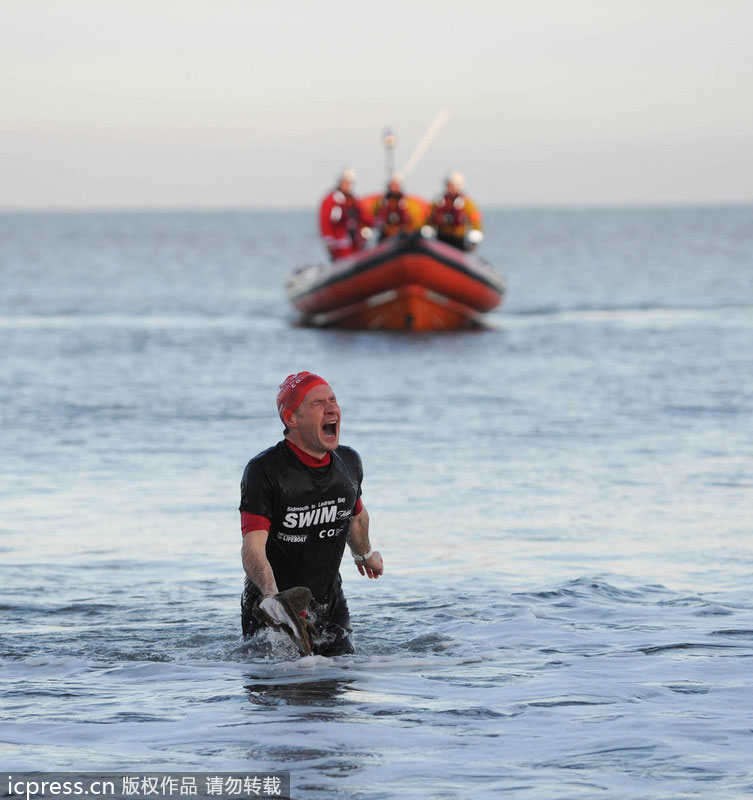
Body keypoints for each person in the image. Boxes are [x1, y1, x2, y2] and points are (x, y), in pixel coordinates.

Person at [239, 372, 384, 656]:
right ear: (291, 419)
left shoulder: (349, 462)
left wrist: (364, 554)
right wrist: (271, 596)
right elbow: (252, 547)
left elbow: (355, 516)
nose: (332, 408)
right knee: (278, 692)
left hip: (330, 608)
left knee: (338, 687)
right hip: (274, 610)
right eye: (318, 403)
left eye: (333, 400)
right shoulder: (265, 471)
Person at [319, 169, 370, 260]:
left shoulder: (353, 201)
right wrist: (329, 241)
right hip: (339, 244)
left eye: (349, 183)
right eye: (345, 182)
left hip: (354, 243)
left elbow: (364, 217)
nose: (347, 185)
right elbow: (325, 221)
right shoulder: (331, 200)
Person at [427, 172, 483, 251]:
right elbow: (429, 216)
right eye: (448, 185)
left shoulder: (466, 202)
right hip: (440, 237)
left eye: (451, 185)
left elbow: (476, 219)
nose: (448, 188)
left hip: (458, 239)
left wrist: (475, 237)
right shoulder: (438, 201)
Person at [371, 172, 413, 240]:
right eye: (392, 185)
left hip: (401, 233)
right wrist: (385, 228)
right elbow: (379, 219)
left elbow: (407, 220)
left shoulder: (404, 202)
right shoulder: (383, 202)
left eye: (396, 185)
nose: (393, 188)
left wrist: (400, 229)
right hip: (384, 233)